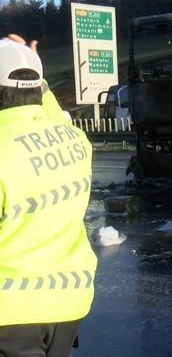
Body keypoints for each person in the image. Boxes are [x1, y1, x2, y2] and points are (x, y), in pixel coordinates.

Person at [0, 37, 96, 357]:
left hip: (10, 313)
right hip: (69, 302)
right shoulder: (74, 139)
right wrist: (32, 70)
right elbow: (52, 114)